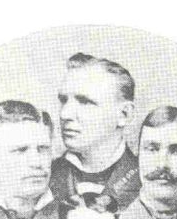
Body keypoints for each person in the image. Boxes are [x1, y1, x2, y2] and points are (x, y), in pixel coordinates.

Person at [50, 53, 140, 209]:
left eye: (85, 102)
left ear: (124, 114)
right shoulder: (43, 178)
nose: (65, 114)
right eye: (64, 100)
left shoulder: (147, 182)